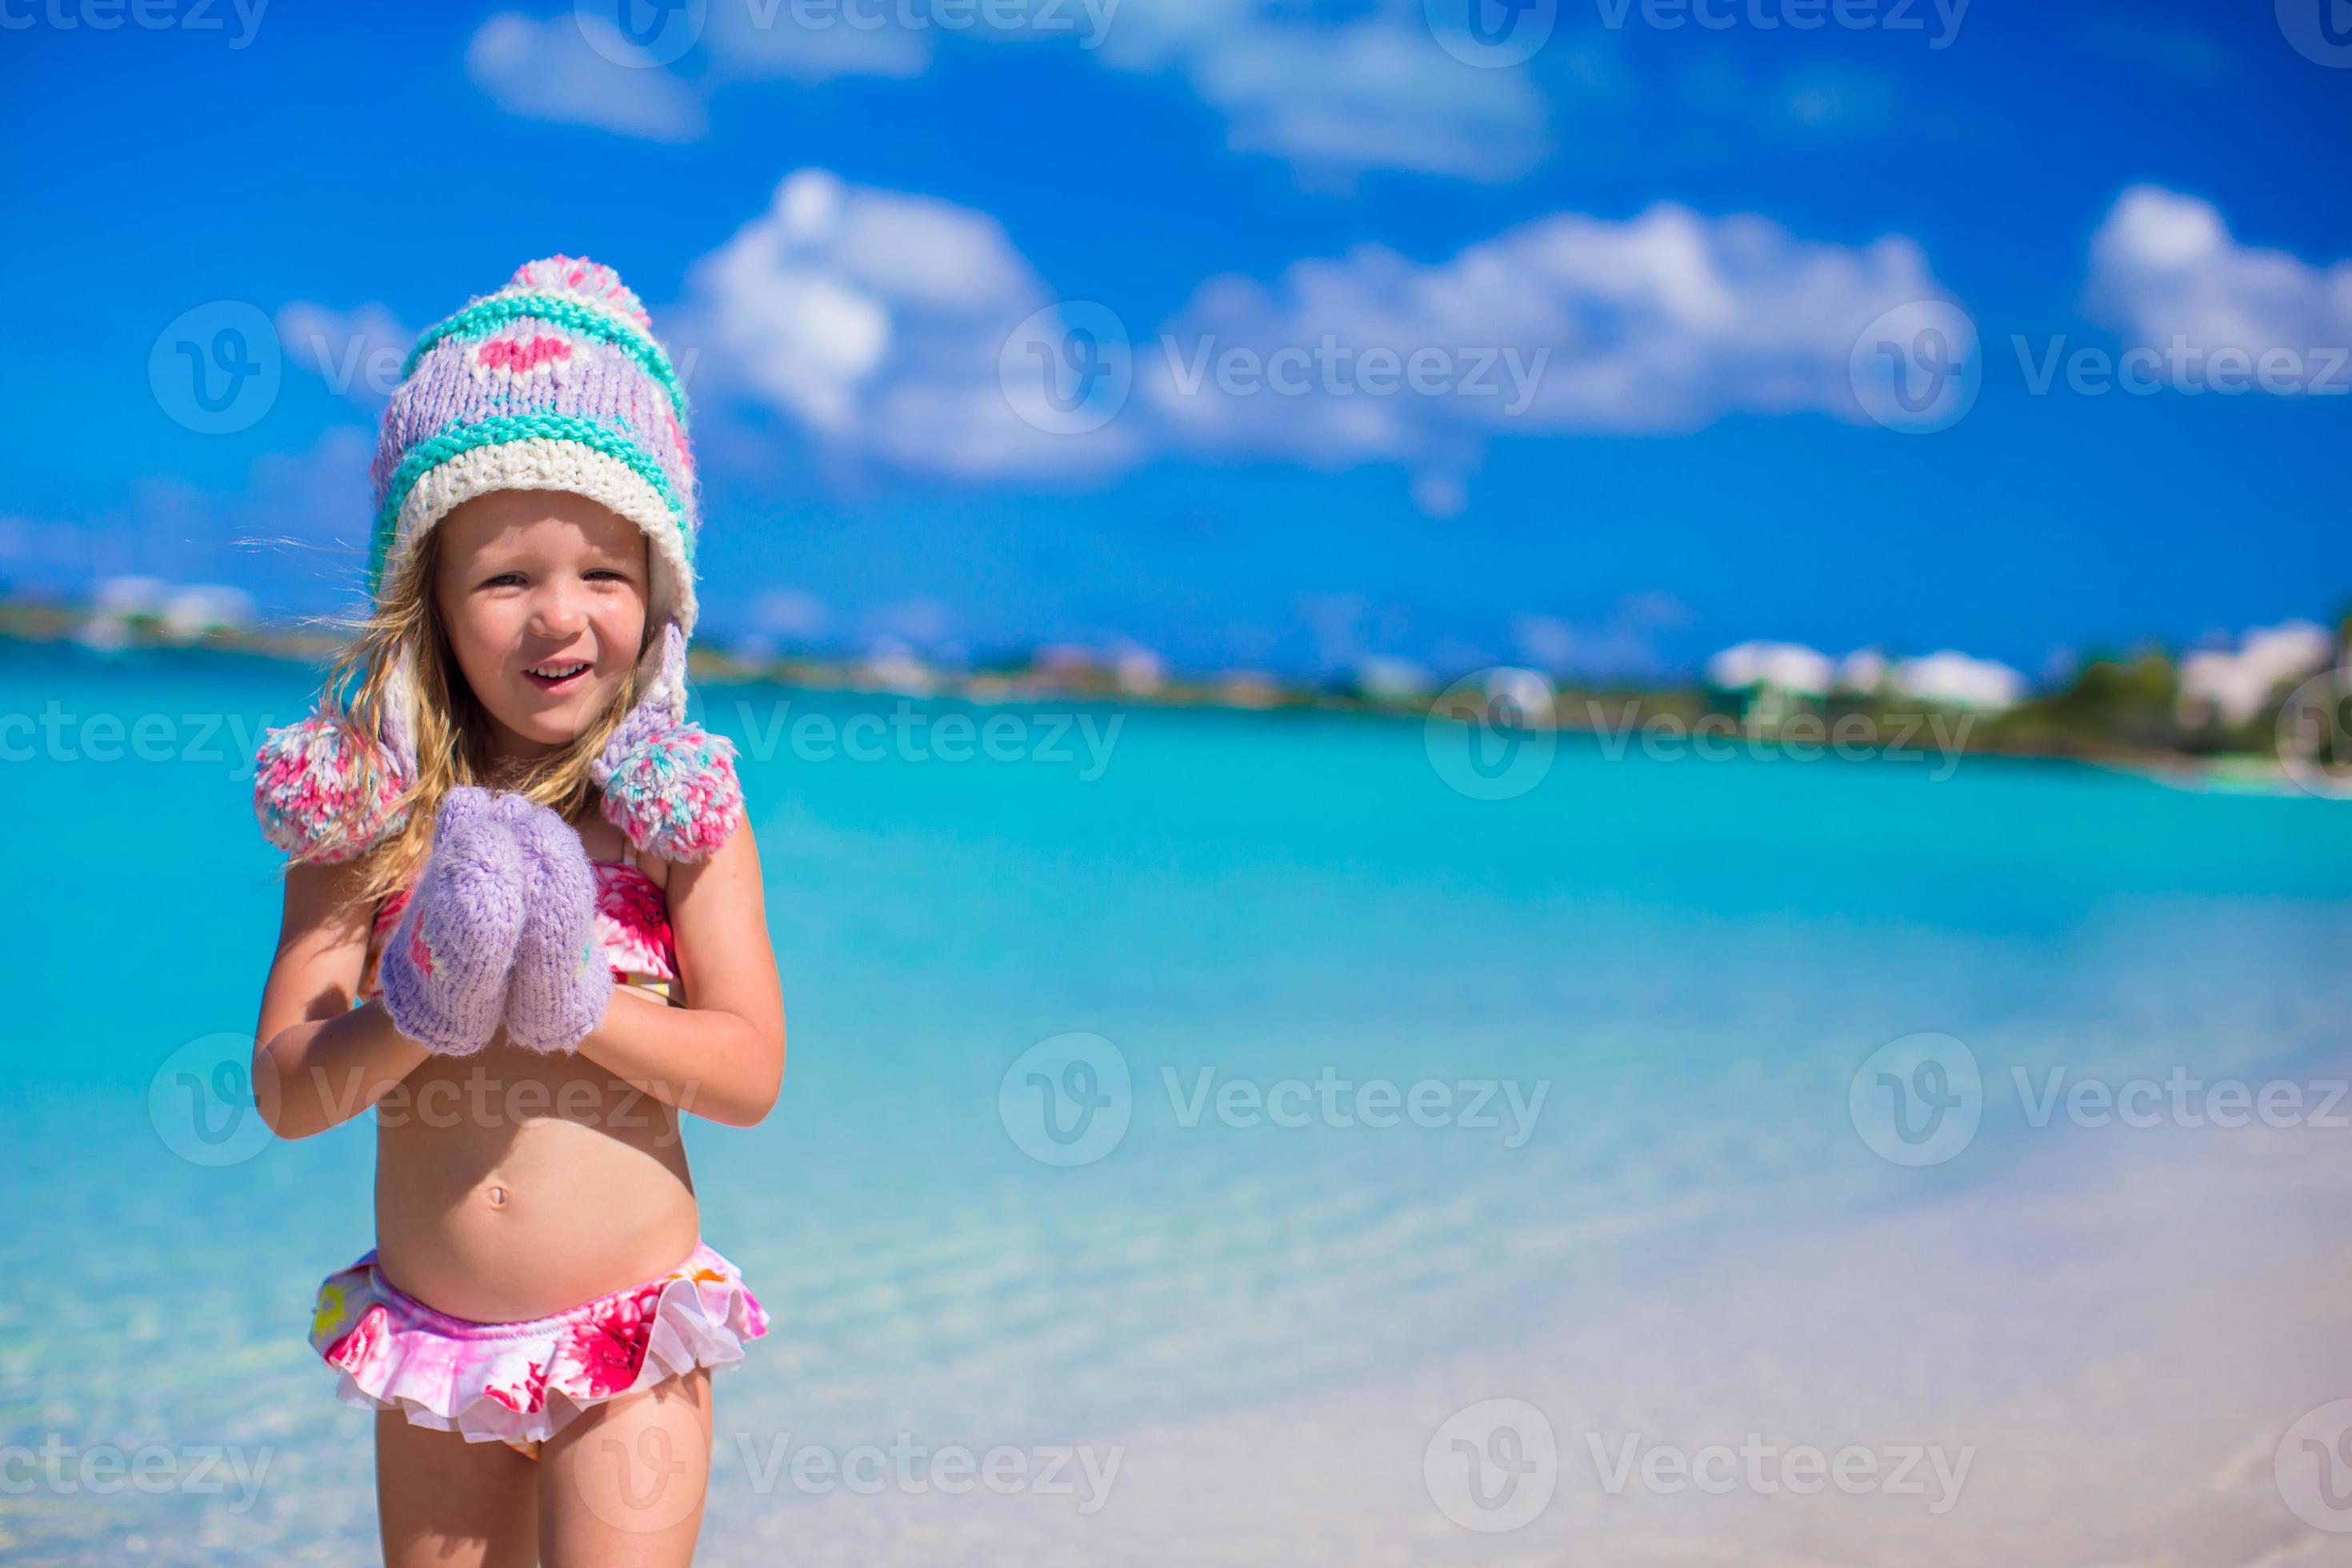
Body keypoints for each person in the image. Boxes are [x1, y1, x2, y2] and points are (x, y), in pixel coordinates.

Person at [248, 257, 786, 1566]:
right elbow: (290, 1090)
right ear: (425, 593)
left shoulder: (670, 811)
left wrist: (579, 1006)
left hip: (626, 1338)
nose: (561, 615)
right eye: (504, 579)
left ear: (659, 588)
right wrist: (418, 1009)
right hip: (436, 1344)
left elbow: (750, 1073)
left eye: (604, 570)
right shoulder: (368, 815)